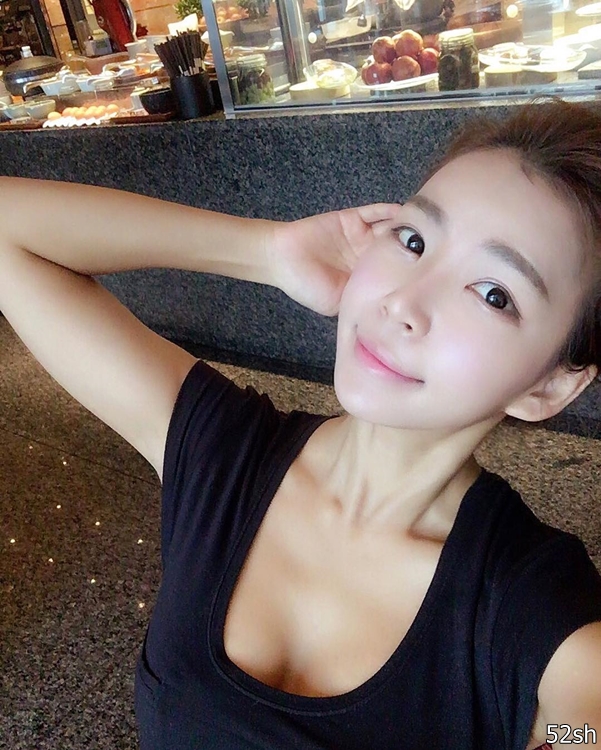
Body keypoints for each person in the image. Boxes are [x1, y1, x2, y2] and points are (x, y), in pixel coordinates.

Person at [1, 97, 601, 750]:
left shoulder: (533, 608)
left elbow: (583, 725)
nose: (403, 301)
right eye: (414, 240)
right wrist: (267, 251)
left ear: (549, 385)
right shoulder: (223, 452)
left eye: (493, 294)